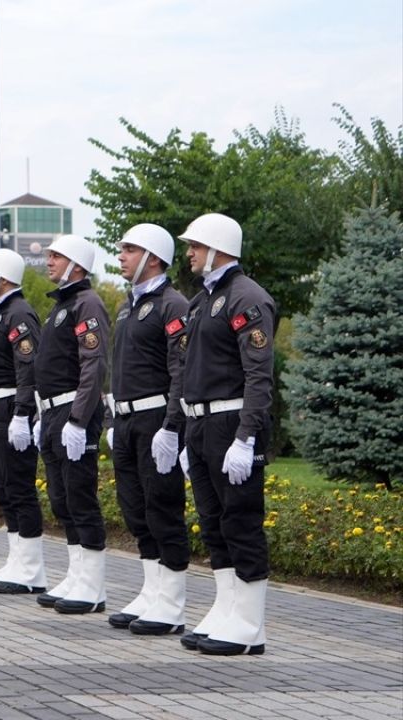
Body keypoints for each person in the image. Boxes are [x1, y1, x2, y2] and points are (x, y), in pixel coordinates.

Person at [177, 213, 275, 656]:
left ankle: (251, 624)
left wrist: (246, 436)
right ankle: (227, 609)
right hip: (200, 425)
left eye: (196, 245)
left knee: (241, 520)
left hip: (232, 423)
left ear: (218, 248)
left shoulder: (246, 298)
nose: (190, 253)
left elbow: (259, 376)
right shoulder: (202, 301)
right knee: (214, 523)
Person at [106, 224, 192, 636]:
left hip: (157, 418)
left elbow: (180, 371)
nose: (121, 256)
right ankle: (151, 591)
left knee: (163, 508)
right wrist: (112, 419)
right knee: (135, 509)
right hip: (126, 419)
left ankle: (172, 603)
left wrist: (173, 426)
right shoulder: (127, 306)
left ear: (153, 257)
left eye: (130, 250)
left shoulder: (172, 305)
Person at [32, 234, 110, 614]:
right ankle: (77, 574)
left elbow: (92, 365)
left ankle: (92, 585)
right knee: (62, 499)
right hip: (52, 413)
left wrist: (78, 419)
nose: (49, 261)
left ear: (77, 265)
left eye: (56, 256)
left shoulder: (87, 303)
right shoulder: (63, 305)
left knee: (80, 496)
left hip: (73, 412)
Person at [0, 250, 48, 595]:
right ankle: (17, 559)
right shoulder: (1, 313)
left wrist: (22, 414)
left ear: (3, 277)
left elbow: (27, 368)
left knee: (19, 488)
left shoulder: (19, 313)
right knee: (5, 489)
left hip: (10, 407)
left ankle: (32, 568)